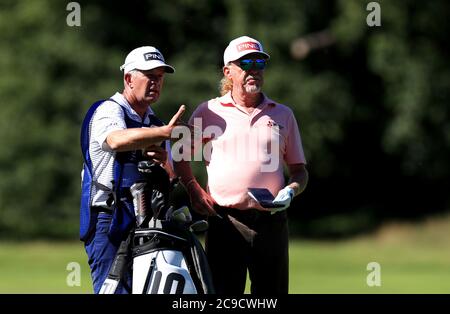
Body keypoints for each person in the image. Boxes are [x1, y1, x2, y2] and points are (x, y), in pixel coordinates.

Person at [174, 36, 309, 294]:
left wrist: (291, 190)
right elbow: (179, 156)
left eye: (259, 62)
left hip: (272, 222)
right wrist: (193, 189)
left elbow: (300, 170)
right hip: (225, 221)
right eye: (245, 63)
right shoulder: (208, 111)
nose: (254, 69)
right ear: (228, 71)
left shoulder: (282, 113)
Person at [80, 46, 185, 294]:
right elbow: (116, 140)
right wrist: (162, 134)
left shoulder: (154, 121)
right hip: (109, 218)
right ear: (128, 79)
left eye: (160, 77)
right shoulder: (108, 109)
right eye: (149, 76)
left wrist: (165, 166)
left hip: (146, 221)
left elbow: (170, 178)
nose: (156, 83)